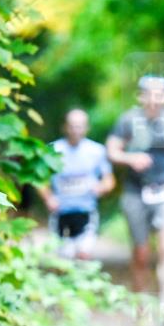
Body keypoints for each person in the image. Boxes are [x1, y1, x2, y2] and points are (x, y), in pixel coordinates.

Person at [106, 75, 164, 326]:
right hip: (135, 191)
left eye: (159, 94)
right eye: (149, 94)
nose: (154, 99)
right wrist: (131, 159)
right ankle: (141, 308)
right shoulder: (128, 120)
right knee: (141, 254)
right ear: (140, 97)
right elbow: (112, 150)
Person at [39, 109, 115, 260]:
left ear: (87, 128)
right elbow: (40, 178)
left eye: (80, 126)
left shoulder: (97, 151)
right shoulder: (52, 149)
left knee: (83, 254)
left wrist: (101, 187)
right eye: (72, 126)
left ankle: (81, 281)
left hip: (86, 211)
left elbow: (109, 180)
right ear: (65, 127)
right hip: (60, 212)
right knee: (62, 258)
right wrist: (48, 198)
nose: (76, 130)